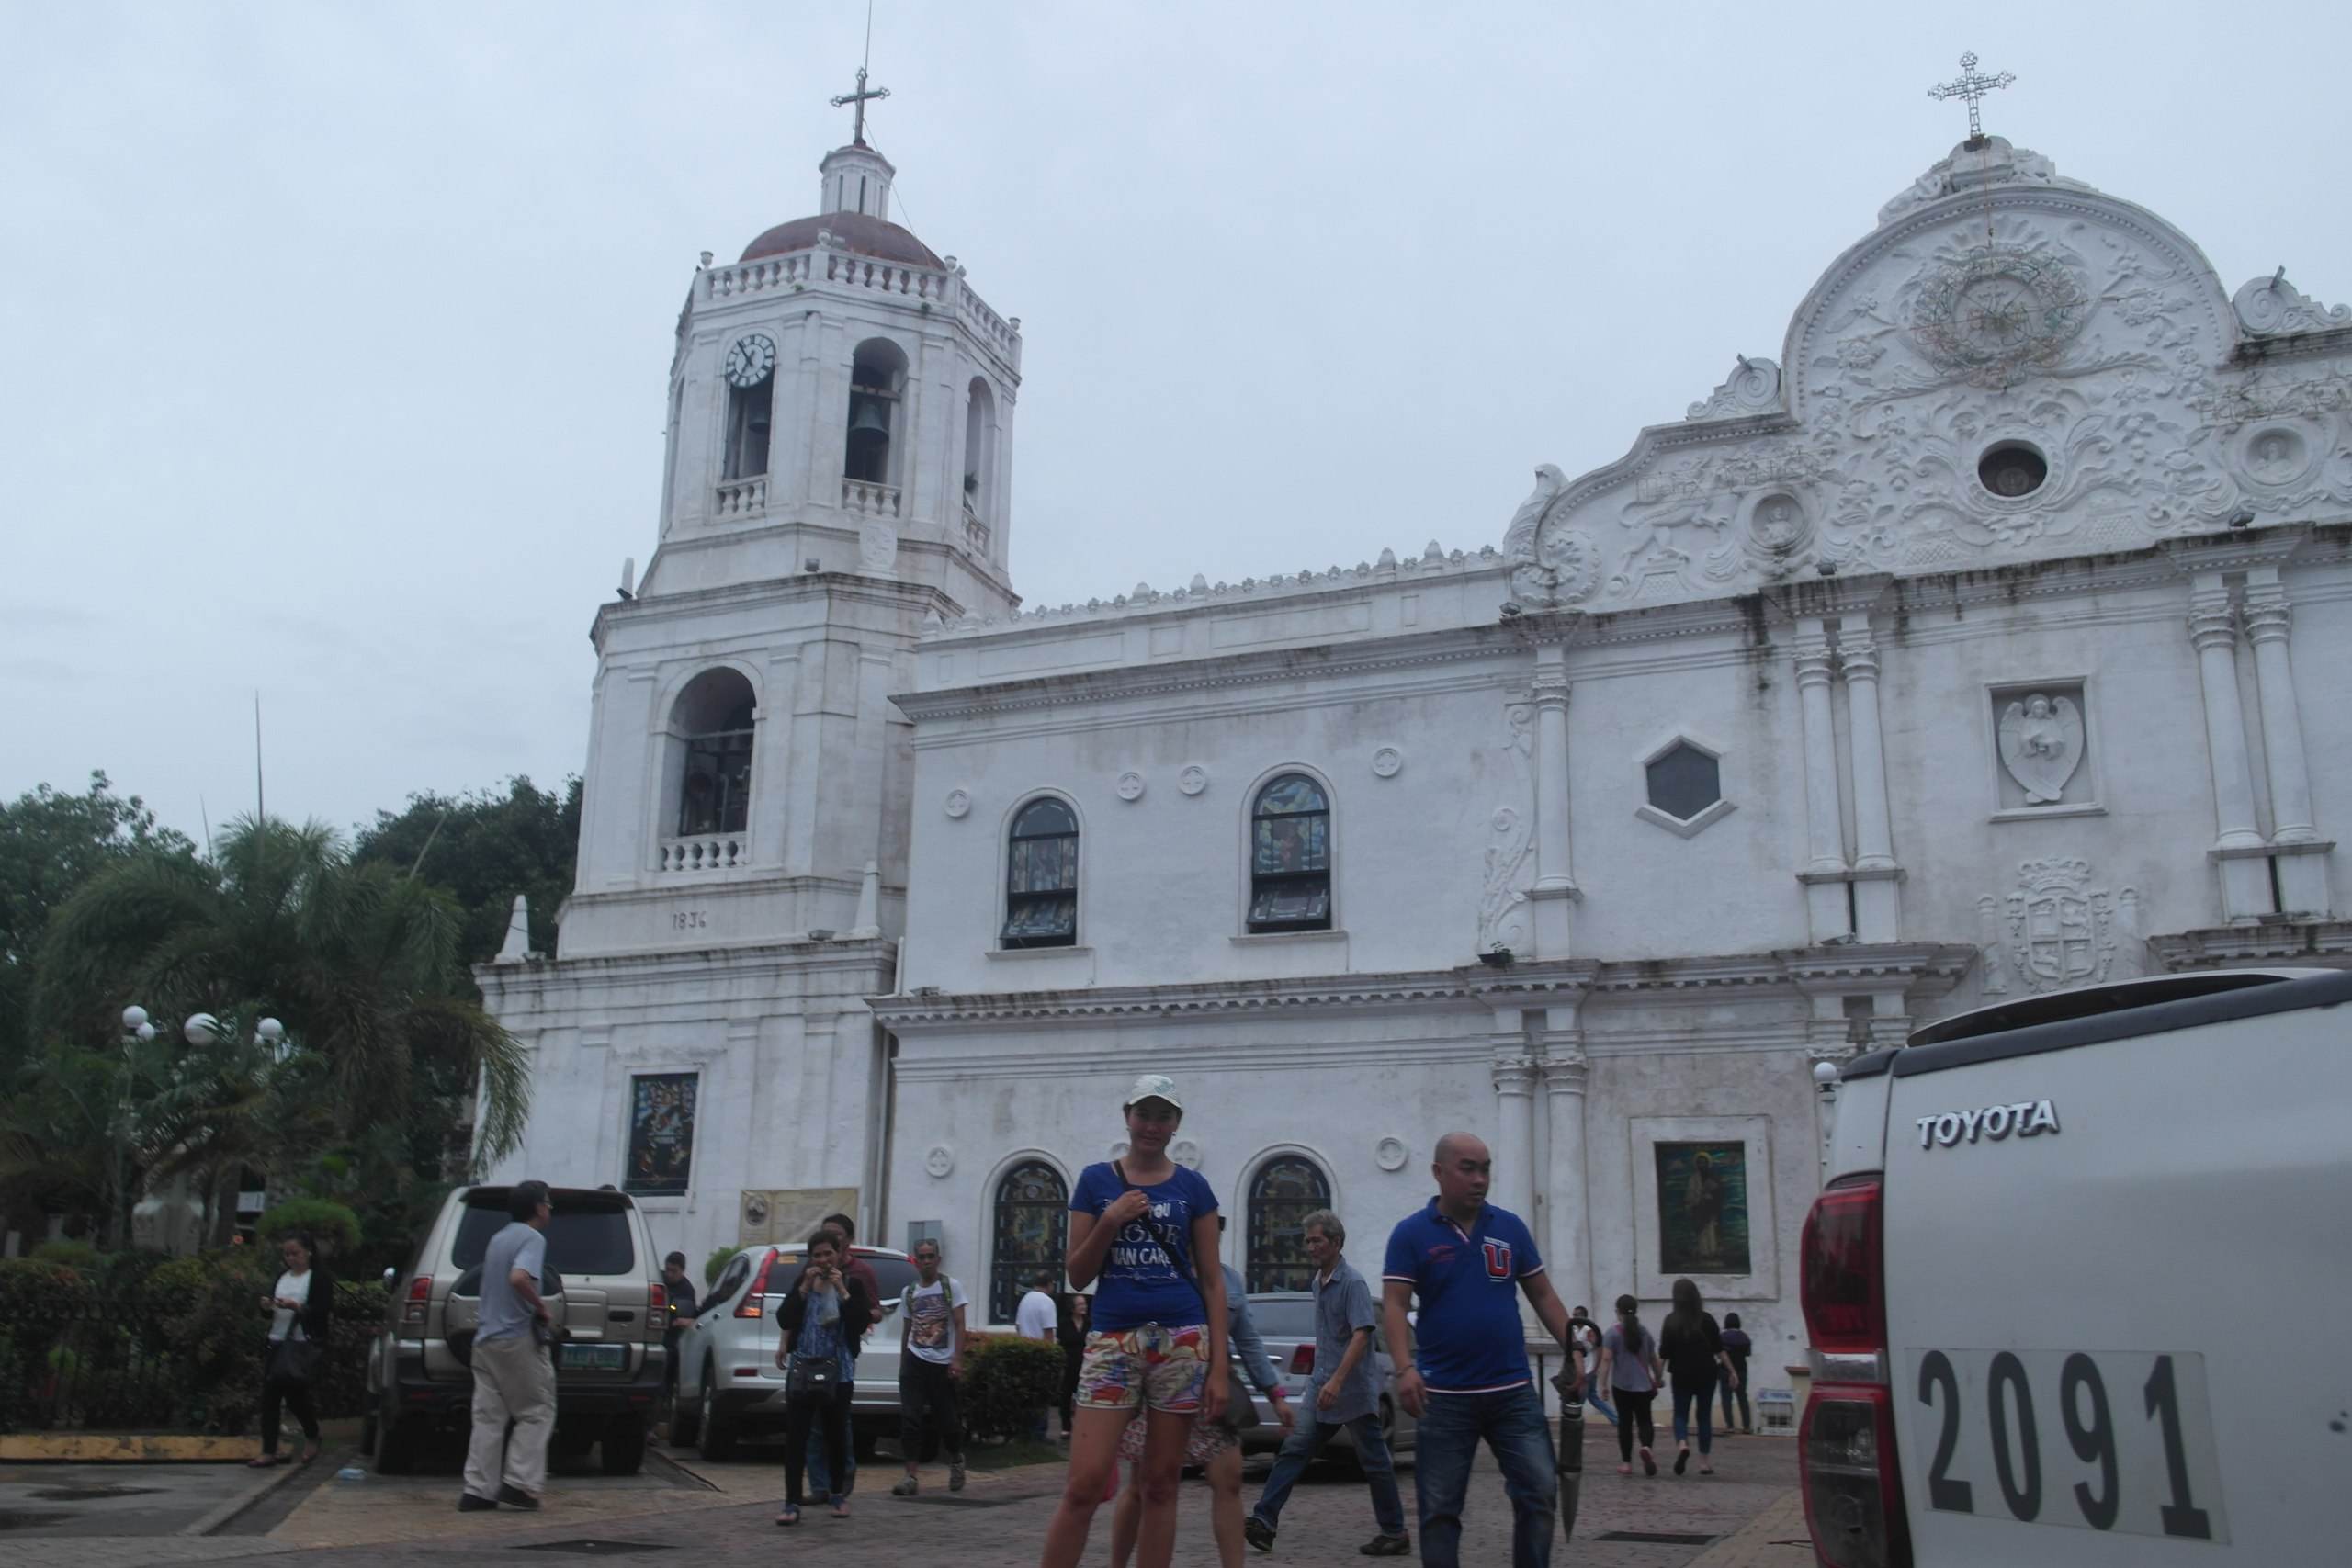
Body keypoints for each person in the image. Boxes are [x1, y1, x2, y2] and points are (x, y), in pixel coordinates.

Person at [1036, 1073, 1228, 1568]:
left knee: (1160, 1484)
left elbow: (1212, 1281)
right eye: (1144, 1113)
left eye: (1163, 1116)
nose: (1152, 1125)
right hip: (1113, 1342)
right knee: (1084, 1483)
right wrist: (1110, 1220)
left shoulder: (1194, 1188)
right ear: (1127, 1116)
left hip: (1182, 1342)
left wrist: (1221, 1369)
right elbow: (1077, 1274)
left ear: (1176, 1125)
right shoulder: (1096, 1181)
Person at [1382, 1132, 1584, 1568]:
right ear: (1439, 1173)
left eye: (1485, 1168)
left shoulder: (1509, 1227)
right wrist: (1404, 1368)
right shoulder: (1411, 1234)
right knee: (1438, 1511)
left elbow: (1544, 1296)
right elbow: (1395, 1305)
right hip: (1444, 1397)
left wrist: (1575, 1349)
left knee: (1540, 1491)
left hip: (1511, 1390)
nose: (1479, 1179)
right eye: (1468, 1168)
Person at [1110, 1222, 1295, 1568]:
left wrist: (1277, 1395)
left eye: (1216, 1232)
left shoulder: (1229, 1282)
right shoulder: (1157, 1271)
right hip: (1161, 1388)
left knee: (1229, 1481)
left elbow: (1249, 1342)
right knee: (1143, 1486)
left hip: (1214, 1392)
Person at [1244, 1208, 1410, 1556]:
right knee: (1293, 1451)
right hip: (1321, 1390)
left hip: (1352, 1391)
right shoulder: (1317, 1283)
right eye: (1307, 1241)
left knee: (1376, 1462)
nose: (1310, 1247)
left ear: (1336, 1242)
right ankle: (1264, 1521)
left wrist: (1336, 1381)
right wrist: (1323, 1382)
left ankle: (1395, 1532)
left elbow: (1362, 1335)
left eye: (1316, 1240)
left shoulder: (1352, 1283)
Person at [459, 1179, 557, 1512]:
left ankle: (477, 1490)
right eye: (548, 1203)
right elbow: (519, 1278)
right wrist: (541, 1307)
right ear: (539, 1207)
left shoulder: (498, 1238)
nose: (550, 1209)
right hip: (516, 1339)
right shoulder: (532, 1237)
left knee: (488, 1418)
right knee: (536, 1411)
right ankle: (518, 1483)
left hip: (485, 1340)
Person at [775, 1227, 877, 1525]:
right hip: (804, 1368)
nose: (822, 1259)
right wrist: (804, 1289)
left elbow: (859, 1323)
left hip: (838, 1371)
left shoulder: (851, 1283)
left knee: (836, 1434)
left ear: (838, 1255)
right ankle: (791, 1502)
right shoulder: (802, 1282)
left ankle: (836, 1494)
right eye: (817, 1255)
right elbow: (785, 1318)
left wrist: (843, 1292)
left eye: (828, 1254)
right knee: (797, 1436)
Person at [806, 1213, 876, 1499]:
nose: (826, 1249)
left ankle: (842, 1482)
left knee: (839, 1422)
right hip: (812, 1356)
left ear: (846, 1241)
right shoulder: (810, 1272)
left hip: (842, 1354)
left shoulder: (860, 1274)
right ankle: (819, 1486)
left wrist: (846, 1299)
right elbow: (797, 1314)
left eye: (834, 1238)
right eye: (823, 1237)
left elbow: (874, 1311)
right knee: (813, 1424)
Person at [890, 1238, 967, 1496]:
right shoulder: (909, 1292)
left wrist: (957, 1359)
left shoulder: (950, 1287)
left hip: (942, 1364)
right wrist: (904, 1365)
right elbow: (907, 1330)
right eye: (921, 1257)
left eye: (930, 1256)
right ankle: (910, 1476)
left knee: (948, 1422)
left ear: (938, 1259)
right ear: (915, 1261)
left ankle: (956, 1459)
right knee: (911, 1420)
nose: (926, 1261)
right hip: (915, 1361)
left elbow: (959, 1325)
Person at [250, 1231, 333, 1467]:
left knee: (295, 1396)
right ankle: (268, 1451)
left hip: (301, 1344)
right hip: (278, 1340)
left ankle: (312, 1433)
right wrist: (267, 1306)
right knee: (270, 1397)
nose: (291, 1258)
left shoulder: (318, 1279)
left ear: (308, 1252)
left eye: (295, 1253)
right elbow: (270, 1312)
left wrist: (299, 1308)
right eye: (287, 1254)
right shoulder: (282, 1277)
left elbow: (323, 1310)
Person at [1658, 1277, 1737, 1475]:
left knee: (1680, 1414)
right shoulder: (1707, 1319)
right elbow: (1719, 1350)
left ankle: (1683, 1444)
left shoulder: (1670, 1321)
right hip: (1706, 1373)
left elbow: (1664, 1355)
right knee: (1704, 1416)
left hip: (1681, 1374)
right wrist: (1732, 1371)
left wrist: (1657, 1377)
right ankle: (1704, 1462)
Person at [1597, 1293, 1663, 1477]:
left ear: (1618, 1312)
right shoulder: (1645, 1333)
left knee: (1625, 1423)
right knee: (1645, 1421)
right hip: (1643, 1387)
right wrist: (1658, 1377)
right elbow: (1652, 1359)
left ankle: (1626, 1463)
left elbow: (1606, 1359)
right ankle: (1646, 1447)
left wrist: (1602, 1384)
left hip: (1622, 1386)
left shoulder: (1612, 1334)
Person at [1567, 1304, 1615, 1427]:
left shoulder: (1588, 1331)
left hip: (1588, 1370)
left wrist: (1595, 1367)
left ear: (1583, 1316)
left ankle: (1574, 1420)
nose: (1574, 1318)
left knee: (1580, 1398)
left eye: (1576, 1315)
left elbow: (1599, 1347)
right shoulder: (1578, 1331)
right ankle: (1616, 1419)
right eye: (1573, 1315)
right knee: (1593, 1398)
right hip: (1585, 1368)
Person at [660, 1250, 697, 1404]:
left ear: (682, 1270)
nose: (669, 1274)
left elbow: (690, 1315)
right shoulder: (659, 1281)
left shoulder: (687, 1290)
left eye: (674, 1270)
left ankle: (665, 1400)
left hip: (671, 1338)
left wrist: (685, 1320)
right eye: (667, 1269)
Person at [1056, 1291, 1091, 1436]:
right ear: (1072, 1307)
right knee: (1066, 1396)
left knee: (1085, 1397)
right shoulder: (1064, 1323)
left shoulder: (1090, 1323)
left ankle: (1084, 1426)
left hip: (1086, 1365)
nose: (1084, 1307)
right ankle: (1066, 1427)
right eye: (1080, 1304)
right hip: (1068, 1364)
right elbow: (1059, 1342)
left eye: (1084, 1304)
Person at [1719, 1311, 1753, 1436]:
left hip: (1725, 1370)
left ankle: (1730, 1426)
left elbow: (1719, 1352)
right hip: (1742, 1370)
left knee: (1726, 1398)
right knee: (1742, 1398)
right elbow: (1748, 1353)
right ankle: (1747, 1426)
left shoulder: (1723, 1337)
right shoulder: (1745, 1337)